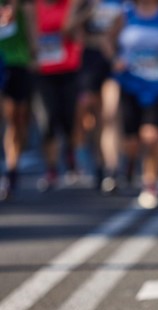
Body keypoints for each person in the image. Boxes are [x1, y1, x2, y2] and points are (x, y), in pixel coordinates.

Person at [105, 0, 158, 208]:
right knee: (131, 141)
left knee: (152, 135)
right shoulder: (126, 13)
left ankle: (150, 184)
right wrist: (115, 59)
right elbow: (109, 40)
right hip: (131, 83)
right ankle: (131, 163)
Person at [74, 0, 124, 193]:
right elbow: (70, 27)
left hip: (112, 59)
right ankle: (99, 163)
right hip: (90, 61)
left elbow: (127, 26)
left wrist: (111, 40)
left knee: (110, 116)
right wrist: (89, 10)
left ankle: (112, 169)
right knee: (93, 119)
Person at [34, 0, 84, 191]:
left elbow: (69, 31)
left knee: (69, 120)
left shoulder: (69, 5)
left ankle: (70, 157)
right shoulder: (35, 6)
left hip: (68, 70)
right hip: (44, 73)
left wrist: (73, 10)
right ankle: (51, 169)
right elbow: (32, 34)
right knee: (47, 120)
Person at [0, 0, 35, 200]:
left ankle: (11, 171)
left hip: (16, 62)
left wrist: (34, 53)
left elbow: (31, 25)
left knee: (15, 120)